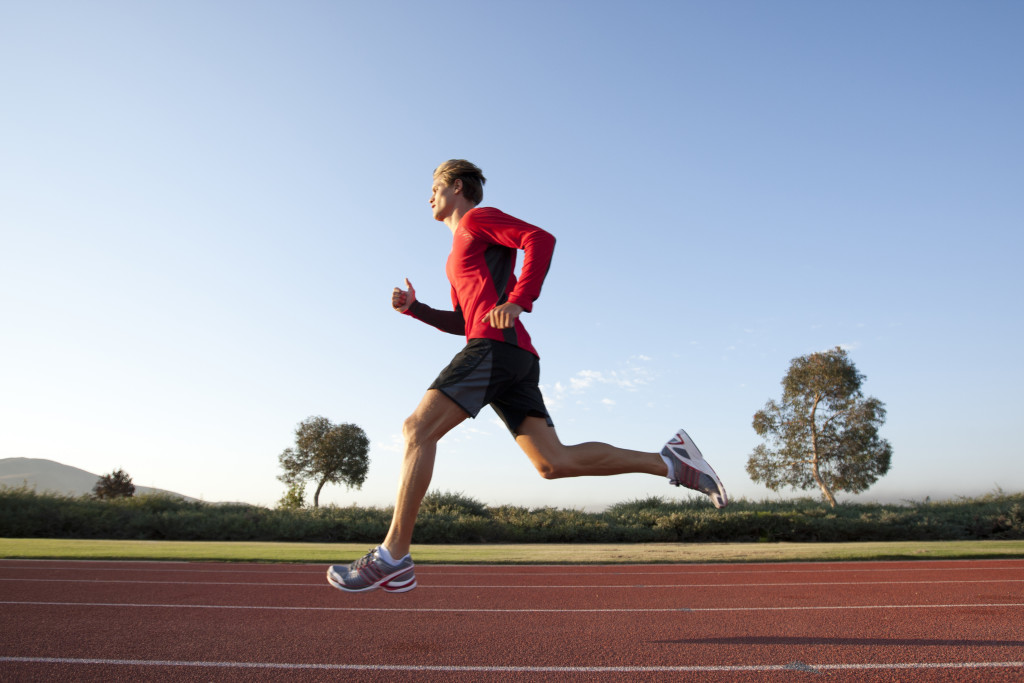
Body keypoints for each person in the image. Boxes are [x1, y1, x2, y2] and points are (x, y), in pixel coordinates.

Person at [327, 160, 727, 593]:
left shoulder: (477, 220)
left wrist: (520, 300)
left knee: (417, 429)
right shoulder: (454, 259)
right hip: (509, 354)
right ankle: (671, 462)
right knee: (553, 463)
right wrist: (414, 309)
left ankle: (394, 555)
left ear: (456, 188)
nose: (429, 197)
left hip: (496, 348)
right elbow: (465, 320)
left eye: (435, 188)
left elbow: (540, 239)